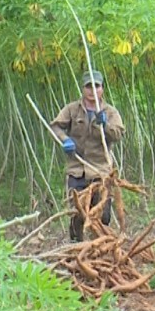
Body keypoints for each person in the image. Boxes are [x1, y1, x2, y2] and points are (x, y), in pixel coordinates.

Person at [50, 69, 125, 242]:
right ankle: (76, 248)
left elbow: (118, 134)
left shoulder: (110, 112)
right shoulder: (72, 110)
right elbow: (55, 127)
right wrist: (64, 140)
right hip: (76, 170)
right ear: (83, 89)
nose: (92, 90)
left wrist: (105, 125)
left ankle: (99, 248)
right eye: (88, 86)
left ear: (102, 89)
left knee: (102, 215)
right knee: (77, 214)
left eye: (96, 86)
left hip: (100, 171)